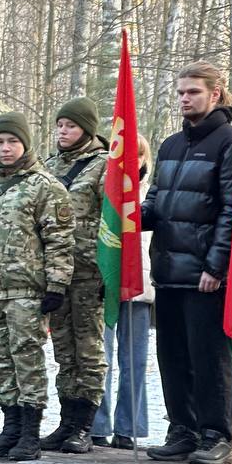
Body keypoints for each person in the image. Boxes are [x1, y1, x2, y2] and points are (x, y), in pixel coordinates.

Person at [144, 62, 232, 464]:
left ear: (215, 94)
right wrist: (128, 213)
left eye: (193, 92)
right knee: (173, 356)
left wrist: (216, 267)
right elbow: (156, 200)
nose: (185, 98)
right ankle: (182, 429)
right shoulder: (170, 145)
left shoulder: (230, 143)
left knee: (208, 357)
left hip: (205, 274)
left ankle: (216, 433)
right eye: (181, 92)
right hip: (168, 268)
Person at [0, 112, 75, 462]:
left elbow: (59, 240)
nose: (5, 148)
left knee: (26, 359)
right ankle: (11, 428)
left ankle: (30, 432)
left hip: (26, 291)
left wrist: (57, 284)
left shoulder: (45, 187)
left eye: (12, 141)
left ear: (25, 144)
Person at [41, 97, 109, 453]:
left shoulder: (103, 166)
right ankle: (66, 421)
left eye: (70, 126)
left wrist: (110, 273)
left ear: (87, 129)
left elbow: (114, 217)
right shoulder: (50, 166)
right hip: (57, 271)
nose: (63, 132)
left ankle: (84, 424)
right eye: (60, 125)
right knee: (64, 350)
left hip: (89, 271)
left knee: (89, 350)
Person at [94, 135, 155, 448]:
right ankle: (97, 425)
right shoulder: (104, 194)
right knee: (99, 359)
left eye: (138, 155)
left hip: (140, 287)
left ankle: (129, 427)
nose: (133, 161)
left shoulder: (151, 195)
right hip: (105, 284)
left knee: (135, 361)